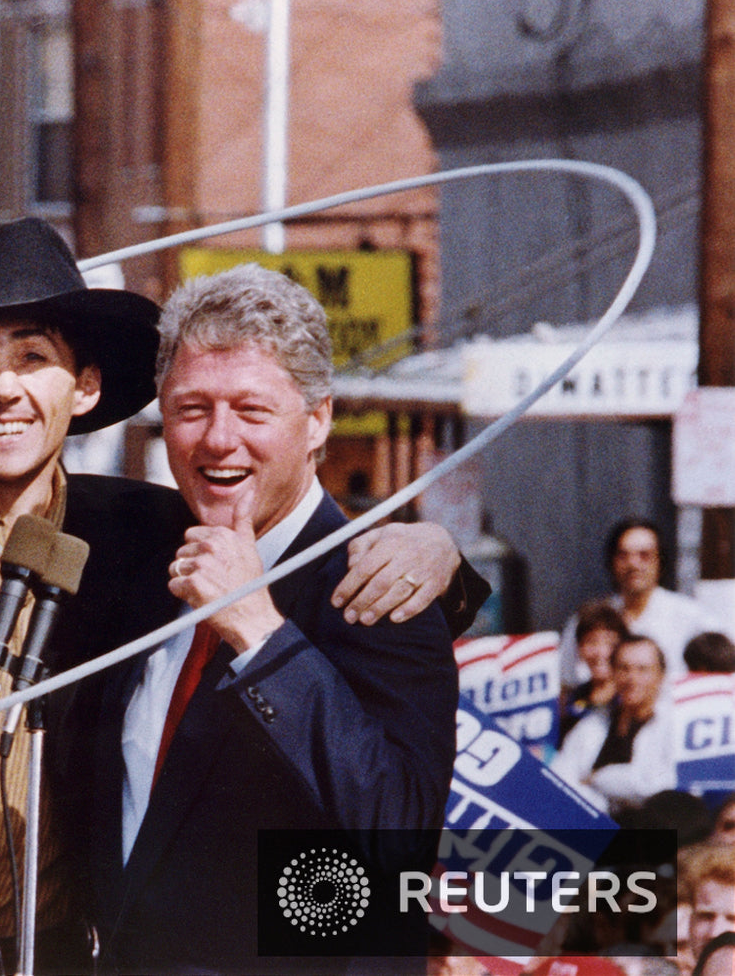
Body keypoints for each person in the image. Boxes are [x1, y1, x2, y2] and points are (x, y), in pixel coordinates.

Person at [0, 27, 480, 975]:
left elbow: (305, 581)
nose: (3, 387)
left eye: (33, 357)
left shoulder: (138, 533)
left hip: (49, 956)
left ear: (83, 389)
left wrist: (436, 549)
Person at [79, 262, 461, 974]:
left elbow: (399, 838)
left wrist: (260, 634)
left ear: (317, 420)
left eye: (252, 411)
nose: (218, 439)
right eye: (192, 409)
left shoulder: (379, 584)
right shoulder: (138, 548)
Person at [559, 518, 718, 687]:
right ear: (612, 562)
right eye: (623, 555)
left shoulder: (693, 618)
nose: (633, 564)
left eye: (645, 555)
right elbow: (565, 682)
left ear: (660, 561)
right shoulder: (588, 620)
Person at [550, 635, 676, 815]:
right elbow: (561, 780)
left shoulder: (673, 725)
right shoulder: (594, 724)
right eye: (624, 669)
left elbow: (656, 785)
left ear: (660, 675)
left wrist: (596, 778)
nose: (632, 678)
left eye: (643, 670)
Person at [559, 600, 629, 744]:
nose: (600, 652)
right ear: (579, 648)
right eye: (591, 642)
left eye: (610, 643)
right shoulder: (572, 700)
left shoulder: (629, 696)